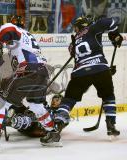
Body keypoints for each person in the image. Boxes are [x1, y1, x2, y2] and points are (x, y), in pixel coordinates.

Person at [40, 16, 123, 146]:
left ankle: (57, 127)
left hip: (80, 72)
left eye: (76, 27)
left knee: (68, 100)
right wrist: (115, 34)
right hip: (101, 69)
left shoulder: (73, 42)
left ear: (80, 26)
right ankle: (111, 124)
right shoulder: (94, 27)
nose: (75, 29)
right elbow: (114, 21)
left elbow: (75, 55)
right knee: (108, 96)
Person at [0, 15, 51, 154]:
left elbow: (8, 28)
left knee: (1, 102)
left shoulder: (14, 31)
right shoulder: (28, 37)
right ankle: (53, 134)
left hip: (29, 71)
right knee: (36, 105)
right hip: (43, 73)